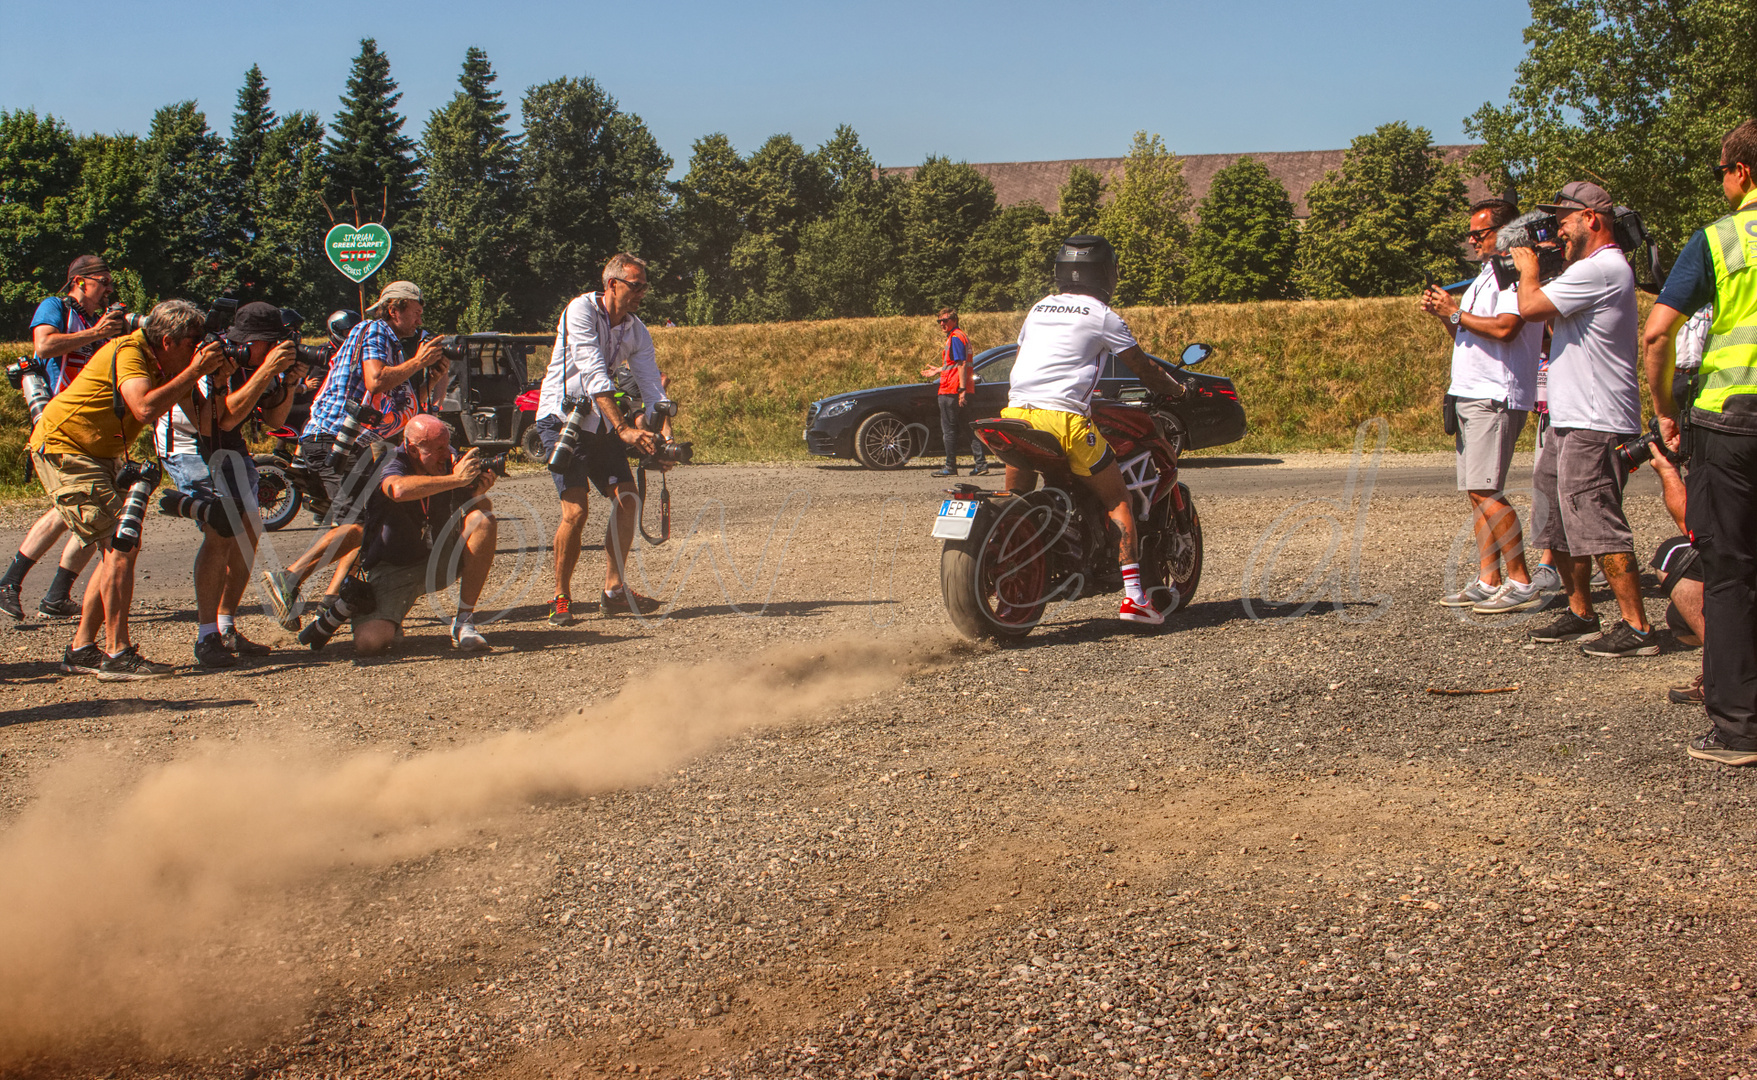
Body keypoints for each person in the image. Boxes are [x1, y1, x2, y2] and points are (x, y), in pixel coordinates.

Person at [28, 299, 228, 680]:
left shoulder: (172, 362)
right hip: (66, 446)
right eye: (193, 341)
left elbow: (206, 422)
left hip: (98, 453)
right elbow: (143, 409)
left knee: (117, 547)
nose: (198, 348)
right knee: (122, 544)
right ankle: (117, 653)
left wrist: (214, 379)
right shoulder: (130, 351)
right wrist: (194, 372)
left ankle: (82, 647)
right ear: (168, 340)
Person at [1643, 118, 1757, 765]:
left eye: (1721, 170)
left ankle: (1738, 730)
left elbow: (1658, 333)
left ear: (1740, 172)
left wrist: (1663, 410)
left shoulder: (1719, 237)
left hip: (1729, 422)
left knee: (1730, 573)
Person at [1001, 235, 1188, 625]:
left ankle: (1012, 572)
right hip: (1064, 420)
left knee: (1013, 500)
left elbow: (1027, 361)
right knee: (1117, 498)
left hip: (1015, 414)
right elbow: (1143, 367)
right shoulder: (1102, 314)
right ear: (1106, 273)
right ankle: (1135, 599)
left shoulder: (1038, 308)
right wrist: (1177, 388)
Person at [1510, 182, 1652, 656]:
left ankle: (1636, 627)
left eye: (1564, 220)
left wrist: (1529, 268)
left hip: (1596, 417)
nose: (1557, 231)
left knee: (1596, 518)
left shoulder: (1604, 267)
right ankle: (1581, 612)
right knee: (1558, 519)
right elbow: (1551, 322)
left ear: (1592, 218)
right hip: (1570, 415)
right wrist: (1543, 269)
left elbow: (1530, 309)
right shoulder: (1586, 272)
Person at [260, 282, 448, 630]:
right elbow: (376, 381)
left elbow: (407, 417)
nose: (420, 321)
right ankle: (288, 578)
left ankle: (331, 598)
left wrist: (435, 376)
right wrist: (418, 360)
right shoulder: (376, 330)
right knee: (360, 522)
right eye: (416, 312)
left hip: (349, 444)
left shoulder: (393, 351)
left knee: (366, 521)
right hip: (334, 440)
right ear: (395, 309)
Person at [157, 302, 305, 668]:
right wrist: (268, 369)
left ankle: (226, 625)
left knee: (250, 531)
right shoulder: (215, 357)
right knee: (221, 530)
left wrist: (286, 381)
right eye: (270, 344)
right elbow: (220, 420)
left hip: (229, 443)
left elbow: (273, 420)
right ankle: (206, 635)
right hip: (190, 440)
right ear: (253, 341)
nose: (274, 351)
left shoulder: (260, 363)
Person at [1420, 199, 1546, 614]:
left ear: (1507, 231)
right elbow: (1465, 333)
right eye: (1471, 234)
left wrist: (1455, 312)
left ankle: (1522, 581)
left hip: (1495, 393)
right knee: (1476, 493)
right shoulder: (1486, 275)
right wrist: (1446, 314)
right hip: (1470, 392)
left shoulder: (1515, 275)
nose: (1473, 240)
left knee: (1486, 489)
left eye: (1481, 233)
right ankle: (1489, 578)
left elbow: (1508, 329)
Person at [533, 253, 672, 626]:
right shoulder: (580, 311)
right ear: (612, 284)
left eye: (645, 285)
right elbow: (595, 375)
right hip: (563, 420)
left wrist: (665, 437)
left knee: (628, 497)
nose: (642, 292)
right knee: (575, 511)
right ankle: (561, 596)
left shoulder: (636, 329)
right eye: (635, 284)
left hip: (599, 422)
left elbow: (651, 386)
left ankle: (614, 591)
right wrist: (625, 428)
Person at [0, 257, 130, 620]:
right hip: (62, 425)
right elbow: (44, 346)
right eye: (102, 280)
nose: (108, 288)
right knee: (81, 508)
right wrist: (98, 335)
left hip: (95, 426)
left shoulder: (95, 321)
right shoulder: (55, 306)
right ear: (78, 281)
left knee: (89, 510)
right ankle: (14, 582)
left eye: (109, 282)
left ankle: (53, 593)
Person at [349, 414, 497, 655]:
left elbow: (484, 516)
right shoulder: (392, 460)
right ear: (413, 449)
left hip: (436, 557)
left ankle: (464, 622)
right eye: (437, 448)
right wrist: (455, 480)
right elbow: (397, 489)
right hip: (394, 566)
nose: (446, 455)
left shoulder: (449, 464)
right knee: (369, 643)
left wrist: (477, 493)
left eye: (447, 445)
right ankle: (390, 619)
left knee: (483, 520)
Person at [920, 308, 989, 477]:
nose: (942, 324)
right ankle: (981, 464)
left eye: (945, 320)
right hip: (960, 389)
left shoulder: (955, 338)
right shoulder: (960, 336)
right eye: (939, 321)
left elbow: (962, 364)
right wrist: (939, 370)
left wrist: (961, 390)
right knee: (969, 427)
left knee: (949, 430)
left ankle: (950, 466)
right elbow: (954, 364)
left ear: (954, 320)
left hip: (951, 390)